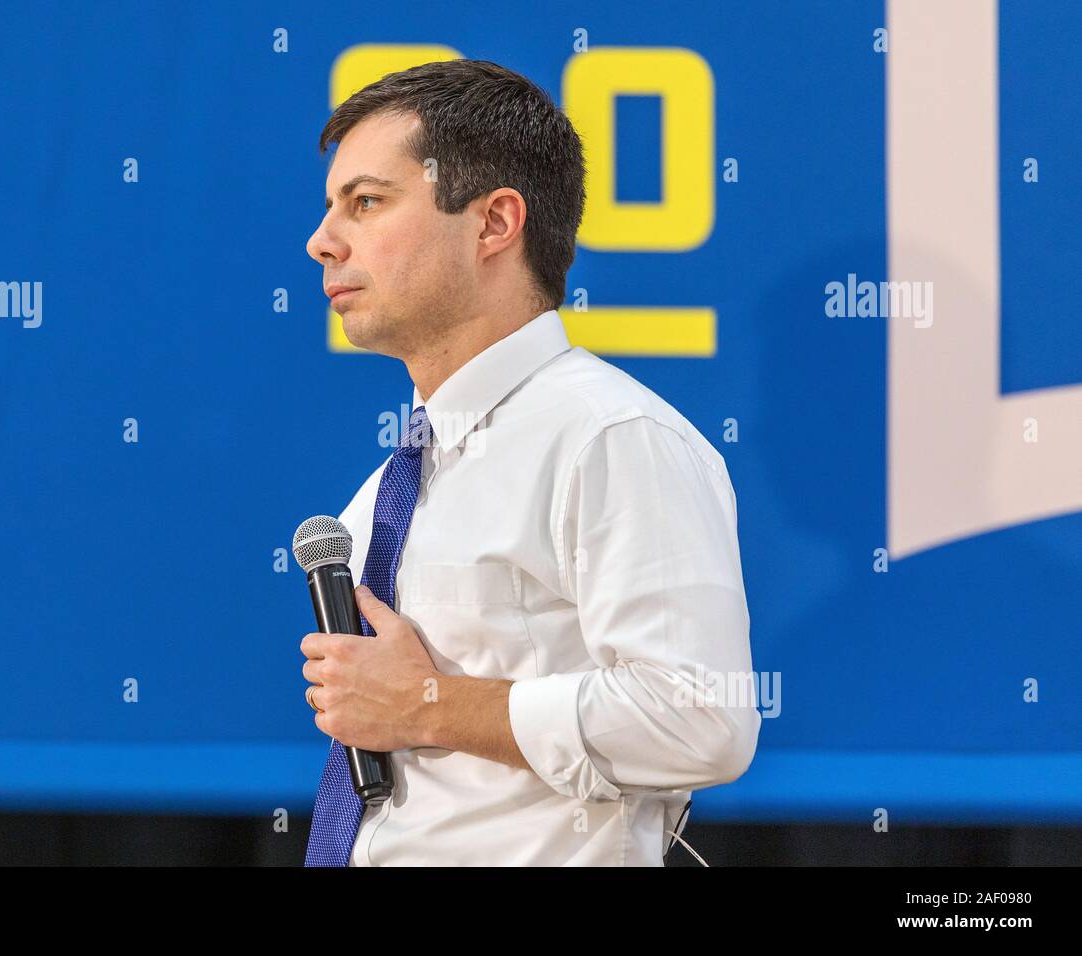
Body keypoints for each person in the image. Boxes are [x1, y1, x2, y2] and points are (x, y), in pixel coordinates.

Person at [301, 59, 759, 866]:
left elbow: (701, 720)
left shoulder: (611, 437)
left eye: (366, 203)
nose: (321, 241)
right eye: (332, 206)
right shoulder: (383, 494)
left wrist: (428, 703)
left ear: (493, 223)